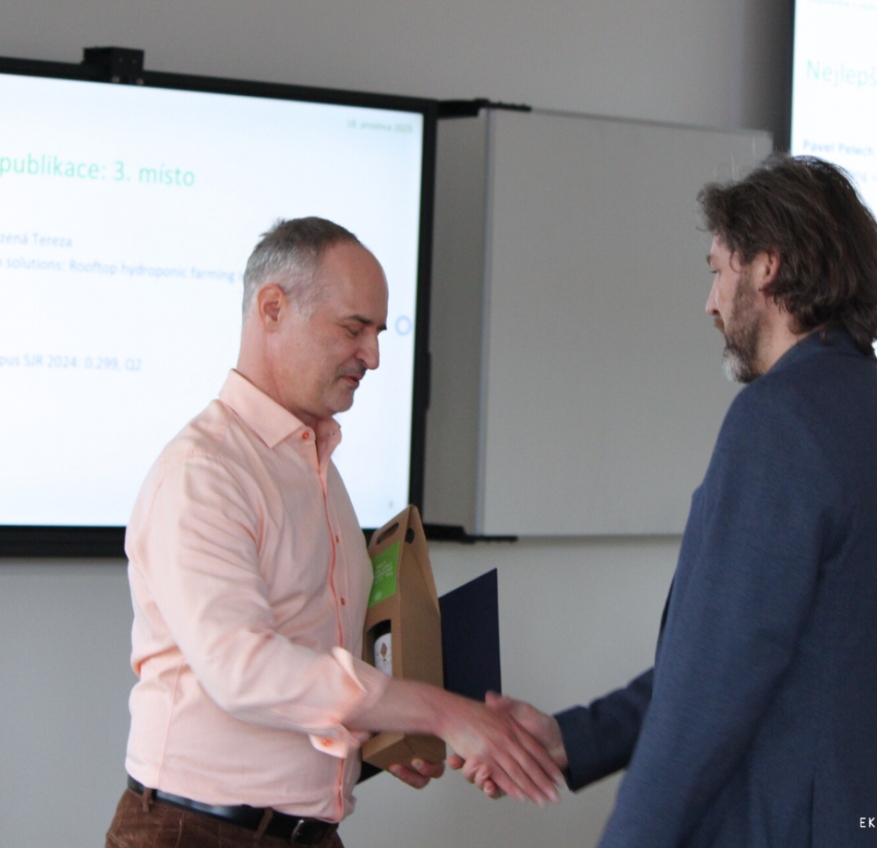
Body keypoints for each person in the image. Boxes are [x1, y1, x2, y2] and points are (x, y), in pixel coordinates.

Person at [455, 155, 877, 847]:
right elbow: (735, 656)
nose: (710, 302)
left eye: (718, 269)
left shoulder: (779, 418)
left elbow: (713, 690)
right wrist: (570, 737)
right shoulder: (874, 413)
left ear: (767, 267)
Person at [105, 217, 561, 848]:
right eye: (354, 329)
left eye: (377, 333)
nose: (373, 356)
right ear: (272, 309)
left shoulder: (318, 468)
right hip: (195, 833)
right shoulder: (205, 470)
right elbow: (243, 671)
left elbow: (314, 653)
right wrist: (441, 711)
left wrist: (382, 736)